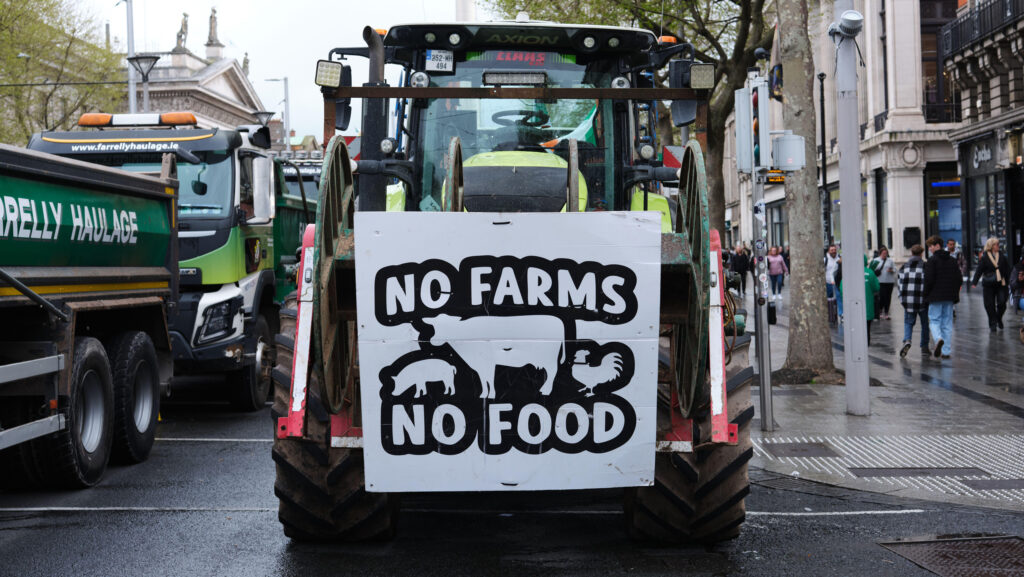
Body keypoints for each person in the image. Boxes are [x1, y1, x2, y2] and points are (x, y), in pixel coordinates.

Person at [923, 235, 962, 358]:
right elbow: (959, 279)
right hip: (949, 297)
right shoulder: (952, 260)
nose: (929, 249)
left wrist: (926, 294)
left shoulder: (932, 261)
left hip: (935, 296)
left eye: (931, 246)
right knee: (947, 323)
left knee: (934, 320)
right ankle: (946, 351)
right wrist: (954, 292)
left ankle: (938, 338)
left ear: (937, 245)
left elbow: (928, 280)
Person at [971, 237, 1011, 331]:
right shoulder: (984, 257)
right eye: (997, 244)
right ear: (991, 246)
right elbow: (979, 270)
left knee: (1002, 302)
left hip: (1001, 283)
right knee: (989, 305)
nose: (998, 246)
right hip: (988, 284)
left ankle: (998, 318)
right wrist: (974, 282)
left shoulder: (1002, 256)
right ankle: (993, 323)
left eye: (998, 244)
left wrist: (1010, 282)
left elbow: (1007, 270)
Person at [896, 244, 930, 358]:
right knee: (925, 323)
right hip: (922, 300)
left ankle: (907, 340)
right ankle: (924, 347)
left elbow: (899, 283)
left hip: (908, 299)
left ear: (911, 253)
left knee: (908, 322)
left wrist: (901, 298)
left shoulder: (904, 266)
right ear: (921, 254)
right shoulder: (925, 266)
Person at [870, 246, 897, 320]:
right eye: (883, 253)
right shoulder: (875, 260)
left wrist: (891, 270)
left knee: (888, 297)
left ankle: (886, 312)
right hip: (879, 281)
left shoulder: (890, 261)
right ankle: (880, 311)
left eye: (886, 253)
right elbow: (871, 270)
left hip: (889, 281)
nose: (885, 255)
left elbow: (895, 269)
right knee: (881, 297)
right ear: (880, 253)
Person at [825, 244, 841, 317]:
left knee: (838, 298)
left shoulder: (840, 258)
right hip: (828, 282)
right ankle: (830, 314)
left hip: (837, 283)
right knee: (829, 299)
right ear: (828, 251)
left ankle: (839, 314)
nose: (833, 251)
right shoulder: (825, 259)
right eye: (831, 250)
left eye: (834, 250)